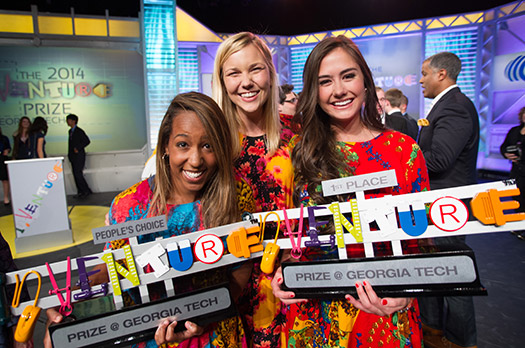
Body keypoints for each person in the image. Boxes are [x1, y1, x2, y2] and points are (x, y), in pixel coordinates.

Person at [45, 92, 248, 348]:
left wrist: (209, 314)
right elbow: (110, 266)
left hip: (218, 336)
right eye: (183, 145)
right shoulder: (129, 205)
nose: (195, 160)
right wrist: (68, 295)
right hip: (149, 338)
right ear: (165, 145)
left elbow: (241, 269)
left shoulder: (236, 194)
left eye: (208, 146)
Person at [271, 35, 430, 348]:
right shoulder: (297, 153)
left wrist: (409, 290)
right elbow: (293, 234)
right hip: (314, 312)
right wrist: (283, 273)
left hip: (383, 310)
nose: (339, 90)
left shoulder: (403, 150)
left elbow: (421, 240)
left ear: (366, 82)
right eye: (325, 81)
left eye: (348, 76)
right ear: (313, 92)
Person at [212, 31, 294, 347]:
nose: (246, 82)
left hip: (290, 280)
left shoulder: (298, 135)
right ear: (222, 80)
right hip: (231, 284)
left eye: (255, 69)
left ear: (270, 75)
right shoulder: (211, 143)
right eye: (234, 73)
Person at [417, 51, 479, 348]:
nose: (420, 80)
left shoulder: (454, 107)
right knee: (434, 272)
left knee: (454, 275)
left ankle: (458, 341)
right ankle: (434, 335)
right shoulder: (446, 106)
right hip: (437, 206)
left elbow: (440, 159)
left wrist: (404, 162)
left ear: (441, 74)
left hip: (447, 207)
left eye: (424, 73)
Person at [500, 106, 525, 240]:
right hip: (516, 171)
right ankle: (519, 224)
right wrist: (507, 154)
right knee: (517, 198)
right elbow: (504, 147)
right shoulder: (514, 131)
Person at [66, 114, 92, 198]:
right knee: (75, 174)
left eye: (69, 120)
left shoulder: (79, 131)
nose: (67, 122)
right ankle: (81, 191)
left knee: (78, 173)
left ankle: (85, 190)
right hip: (73, 156)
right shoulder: (70, 131)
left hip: (79, 156)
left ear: (74, 121)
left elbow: (87, 141)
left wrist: (78, 148)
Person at [0, 129, 11, 205]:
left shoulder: (4, 138)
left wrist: (7, 150)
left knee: (5, 179)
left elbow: (9, 148)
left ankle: (6, 198)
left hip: (2, 159)